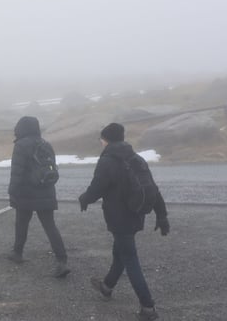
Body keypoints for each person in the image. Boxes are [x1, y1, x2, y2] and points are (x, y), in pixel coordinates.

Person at [79, 122, 170, 321]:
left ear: (106, 140)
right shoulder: (136, 158)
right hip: (136, 214)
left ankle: (148, 307)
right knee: (120, 251)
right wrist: (162, 215)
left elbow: (96, 188)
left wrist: (84, 199)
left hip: (119, 218)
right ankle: (106, 287)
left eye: (101, 140)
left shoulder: (107, 161)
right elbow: (153, 188)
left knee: (129, 258)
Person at [6, 116, 70, 278]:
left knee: (21, 223)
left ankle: (17, 253)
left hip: (25, 192)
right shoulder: (45, 144)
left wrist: (12, 191)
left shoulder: (20, 145)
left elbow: (17, 172)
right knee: (50, 226)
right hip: (46, 190)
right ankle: (62, 261)